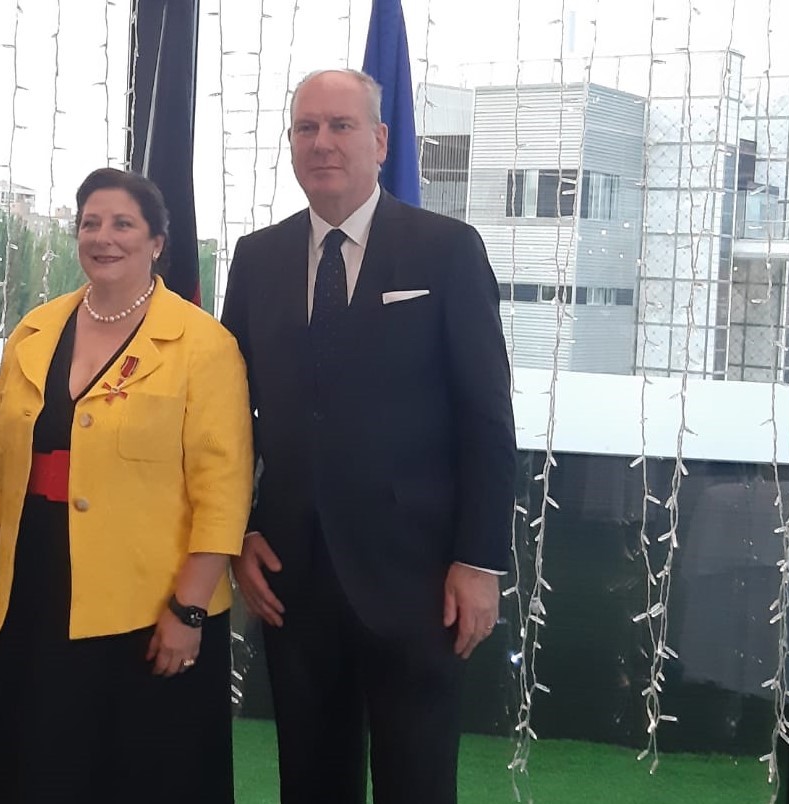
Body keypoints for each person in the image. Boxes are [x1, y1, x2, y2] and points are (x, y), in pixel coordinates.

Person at [219, 68, 517, 804]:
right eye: (306, 128)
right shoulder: (256, 258)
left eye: (340, 126)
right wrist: (238, 530)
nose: (321, 142)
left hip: (420, 581)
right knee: (310, 781)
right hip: (291, 578)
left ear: (380, 141)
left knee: (418, 782)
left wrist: (479, 561)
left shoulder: (447, 250)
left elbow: (486, 417)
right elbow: (227, 415)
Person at [0, 167, 253, 804]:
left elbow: (223, 492)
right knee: (37, 769)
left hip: (152, 610)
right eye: (90, 223)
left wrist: (189, 610)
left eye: (123, 223)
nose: (104, 237)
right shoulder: (36, 332)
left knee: (147, 778)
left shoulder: (204, 344)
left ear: (156, 242)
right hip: (37, 592)